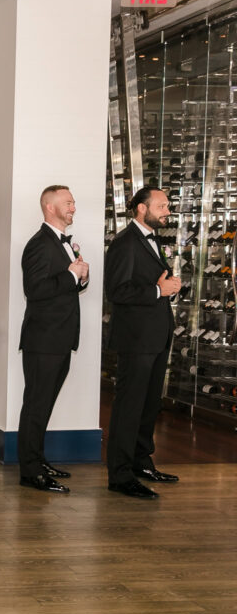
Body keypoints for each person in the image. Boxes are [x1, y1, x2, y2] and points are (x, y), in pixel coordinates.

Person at [104, 187, 180, 499]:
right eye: (161, 206)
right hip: (136, 339)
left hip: (157, 335)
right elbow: (117, 292)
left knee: (150, 404)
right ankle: (120, 475)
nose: (167, 211)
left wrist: (169, 287)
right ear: (140, 209)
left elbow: (152, 281)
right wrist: (157, 291)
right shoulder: (125, 243)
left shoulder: (152, 239)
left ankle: (140, 461)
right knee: (129, 406)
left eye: (167, 206)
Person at [18, 185, 89, 494]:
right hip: (43, 341)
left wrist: (81, 276)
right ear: (50, 207)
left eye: (73, 202)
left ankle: (38, 460)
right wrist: (72, 276)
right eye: (68, 202)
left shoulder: (62, 243)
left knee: (43, 405)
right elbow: (35, 290)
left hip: (59, 339)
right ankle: (30, 472)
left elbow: (62, 287)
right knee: (35, 406)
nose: (73, 206)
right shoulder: (38, 244)